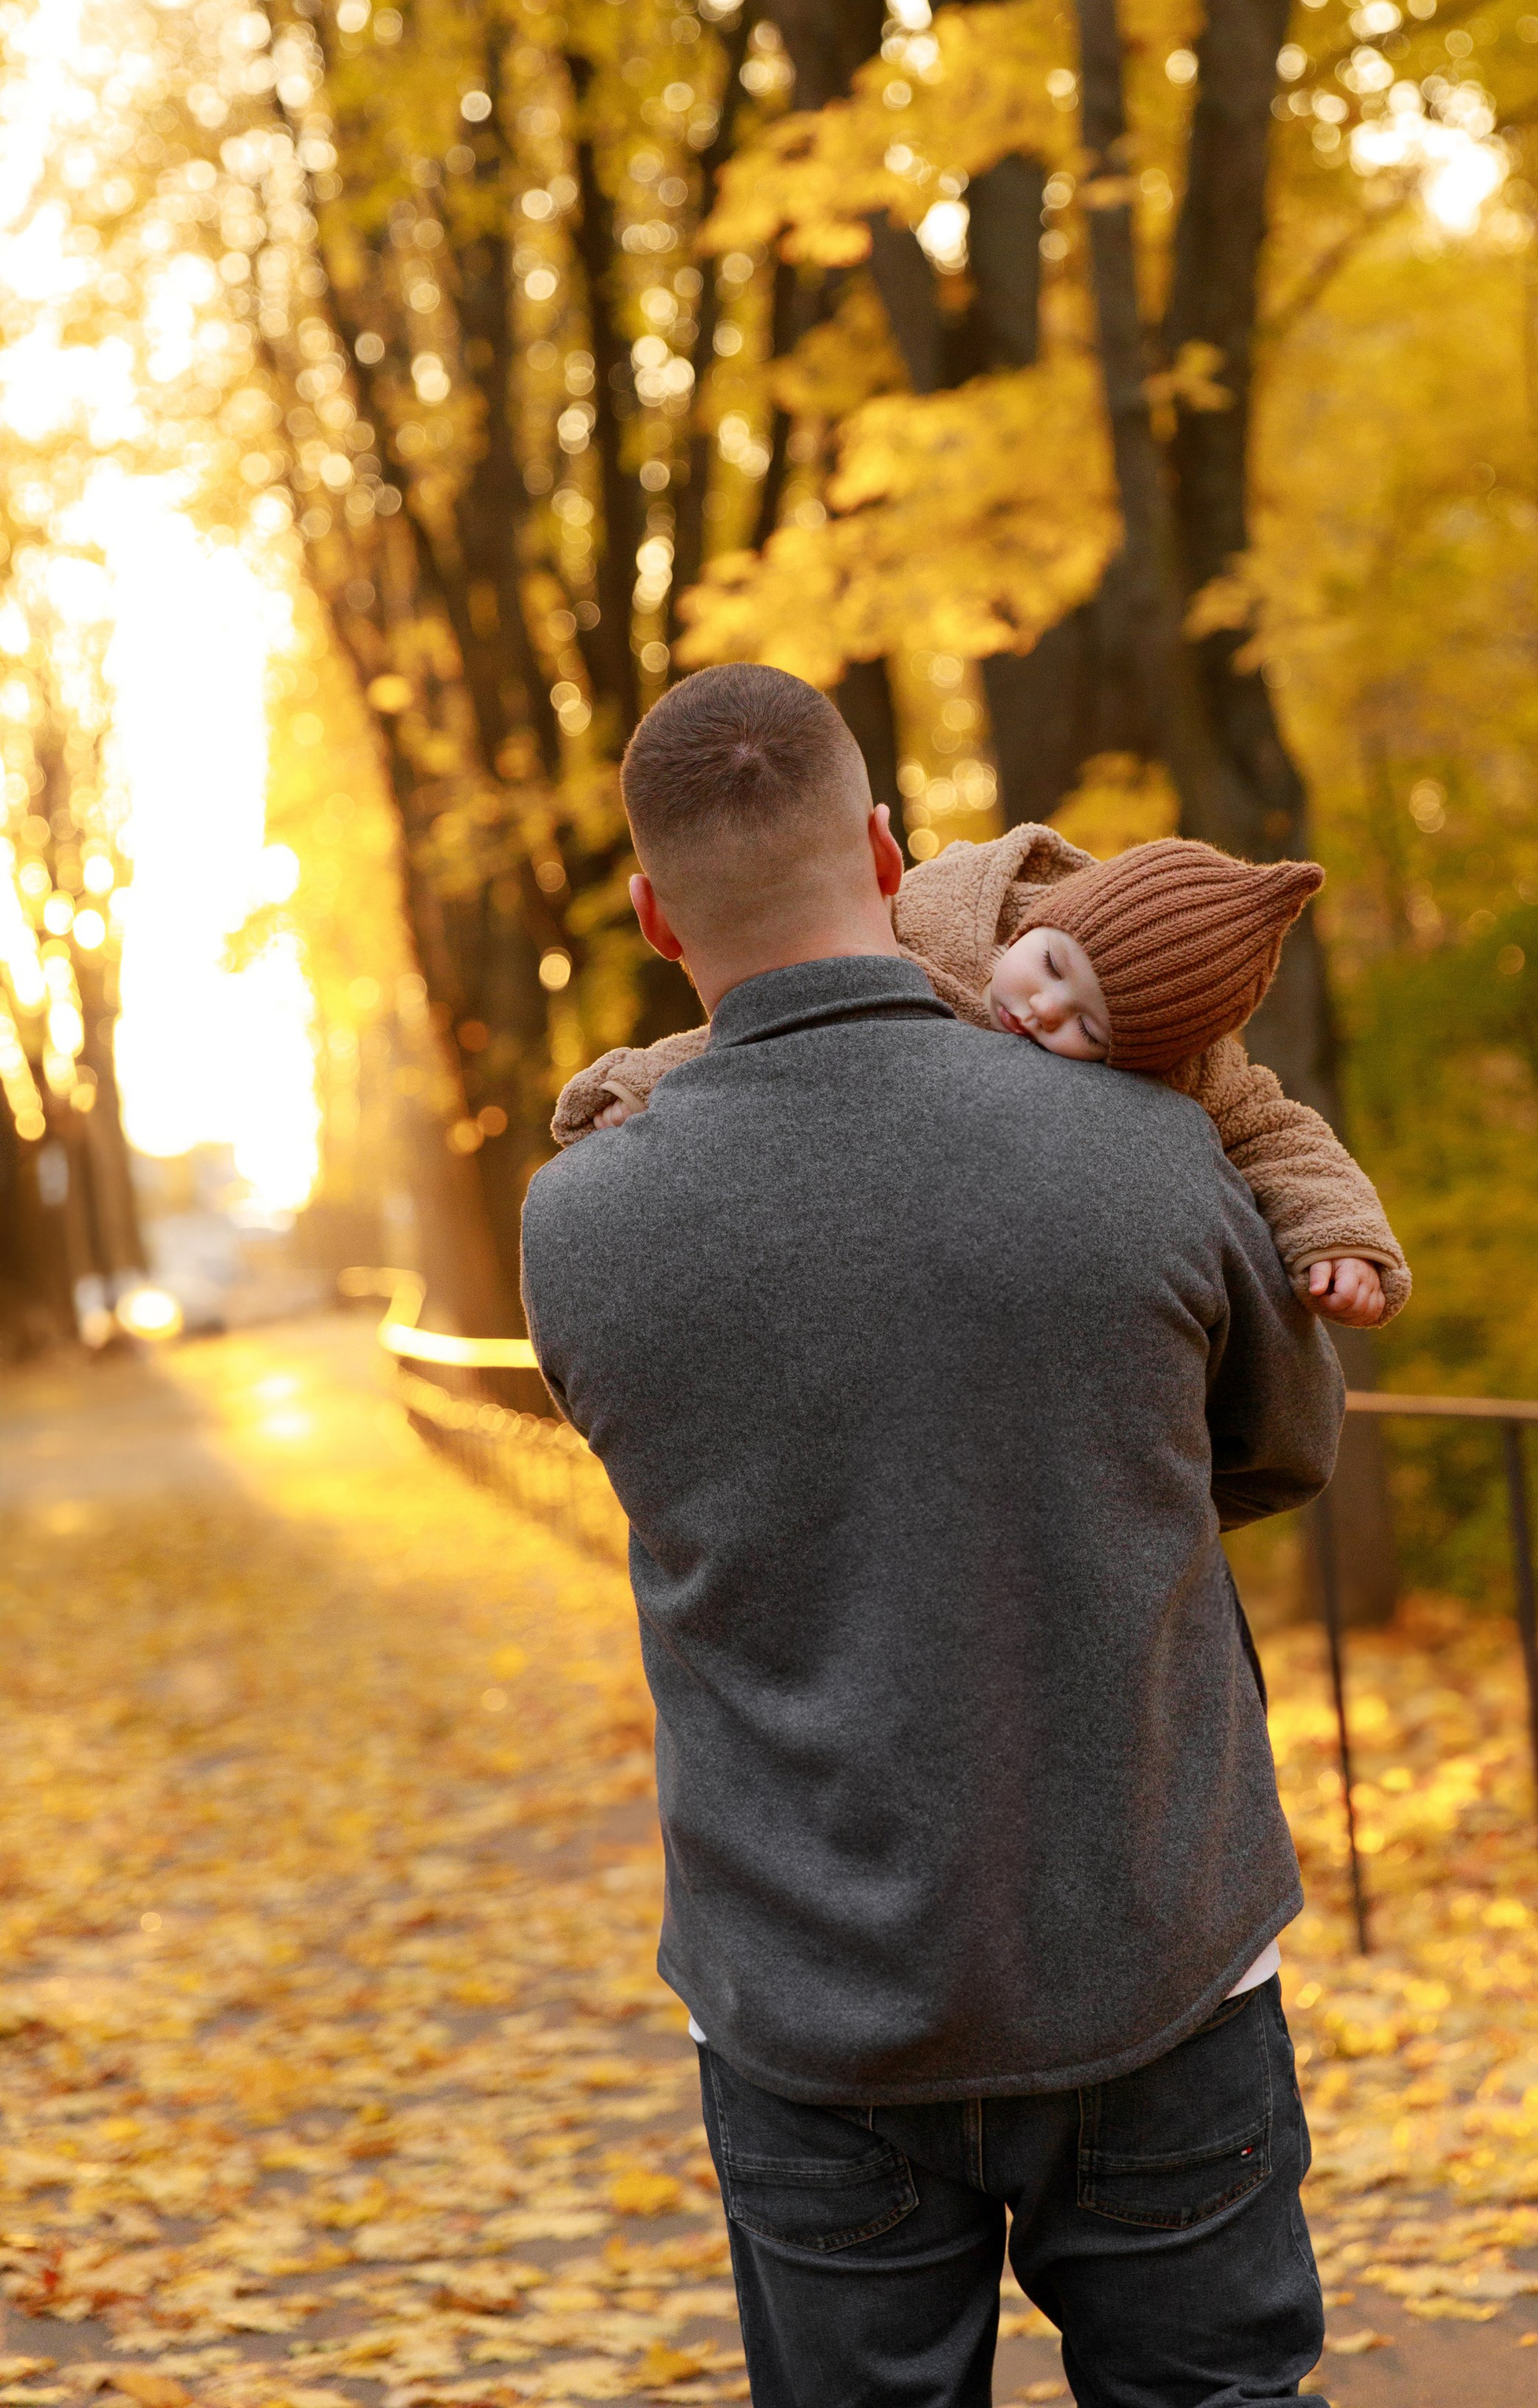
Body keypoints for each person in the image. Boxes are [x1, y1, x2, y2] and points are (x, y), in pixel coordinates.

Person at [520, 662, 1348, 2408]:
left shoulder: (579, 1218)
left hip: (807, 1996)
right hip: (1156, 1941)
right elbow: (1278, 1448)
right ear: (887, 850)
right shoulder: (1144, 1146)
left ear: (653, 916)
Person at [552, 811, 1411, 1335]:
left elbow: (1278, 1133)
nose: (1043, 1013)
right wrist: (641, 1081)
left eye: (1089, 1030)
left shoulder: (1187, 1067)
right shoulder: (919, 932)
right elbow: (771, 1024)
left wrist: (1339, 1240)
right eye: (1052, 971)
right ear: (1049, 920)